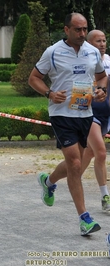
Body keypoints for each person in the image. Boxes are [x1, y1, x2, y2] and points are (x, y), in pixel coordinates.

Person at [28, 13, 108, 236]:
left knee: (76, 162)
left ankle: (48, 181)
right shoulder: (53, 52)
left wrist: (101, 90)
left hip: (85, 113)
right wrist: (49, 93)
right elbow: (33, 77)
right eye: (78, 30)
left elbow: (102, 77)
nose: (82, 34)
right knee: (74, 164)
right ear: (66, 29)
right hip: (61, 114)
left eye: (85, 29)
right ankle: (85, 219)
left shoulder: (92, 52)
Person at [80, 29, 110, 211]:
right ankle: (105, 197)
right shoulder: (82, 62)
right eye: (98, 41)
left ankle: (66, 179)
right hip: (89, 114)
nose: (102, 44)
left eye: (104, 40)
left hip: (106, 115)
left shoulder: (109, 61)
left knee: (89, 153)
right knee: (100, 152)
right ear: (89, 44)